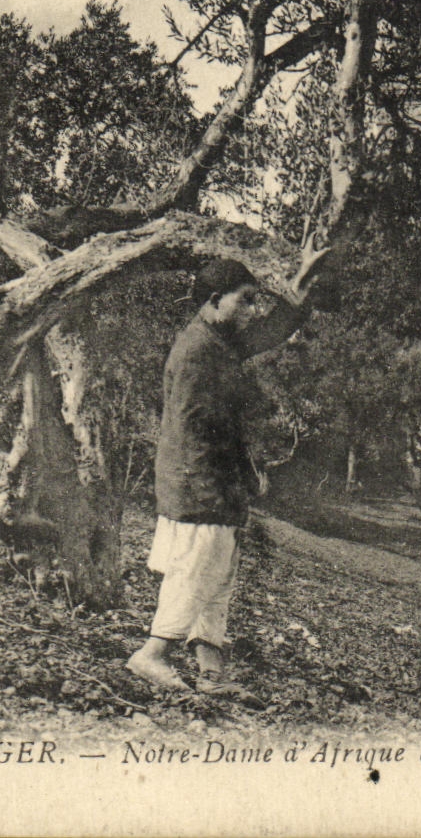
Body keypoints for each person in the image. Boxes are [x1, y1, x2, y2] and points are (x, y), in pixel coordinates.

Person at [126, 259, 268, 695]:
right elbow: (195, 427)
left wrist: (244, 474)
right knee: (195, 571)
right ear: (213, 301)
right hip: (199, 481)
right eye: (245, 301)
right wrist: (230, 476)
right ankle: (152, 655)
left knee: (218, 575)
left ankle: (211, 672)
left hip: (217, 483)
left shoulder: (217, 344)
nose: (252, 311)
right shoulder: (196, 350)